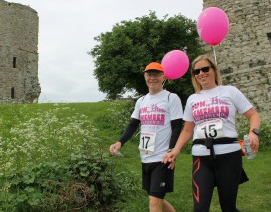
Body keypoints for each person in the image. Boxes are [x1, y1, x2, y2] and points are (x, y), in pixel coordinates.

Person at [162, 54, 261, 212]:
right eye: (197, 71)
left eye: (205, 69)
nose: (201, 73)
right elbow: (187, 129)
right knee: (200, 208)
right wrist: (176, 149)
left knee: (228, 208)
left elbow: (253, 115)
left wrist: (253, 132)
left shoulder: (230, 91)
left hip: (229, 156)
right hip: (201, 158)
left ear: (214, 70)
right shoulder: (193, 99)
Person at [109, 62, 183, 212]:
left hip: (163, 157)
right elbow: (133, 125)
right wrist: (120, 142)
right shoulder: (141, 101)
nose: (153, 78)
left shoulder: (171, 98)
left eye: (156, 74)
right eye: (149, 74)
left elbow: (177, 127)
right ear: (145, 76)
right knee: (156, 199)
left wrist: (171, 150)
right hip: (146, 156)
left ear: (163, 76)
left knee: (154, 203)